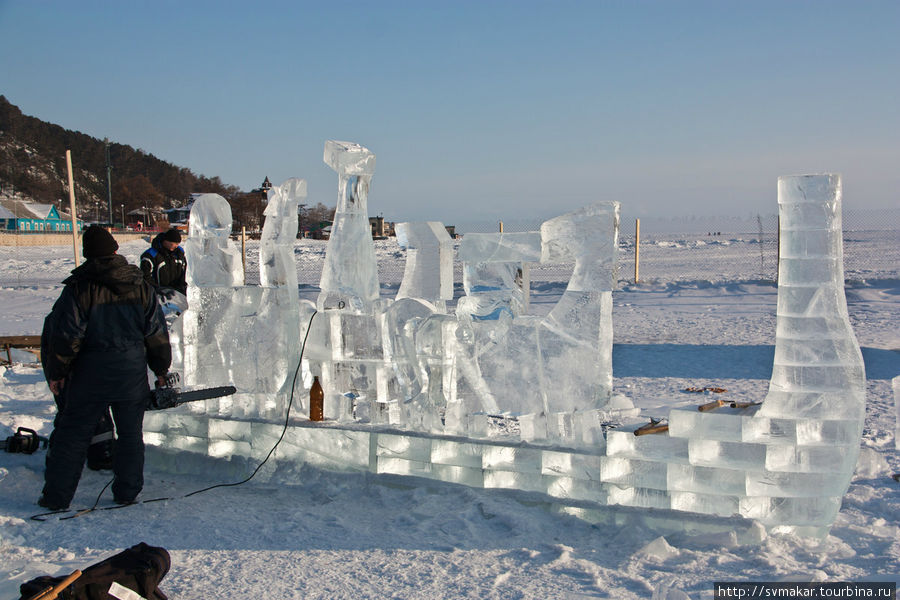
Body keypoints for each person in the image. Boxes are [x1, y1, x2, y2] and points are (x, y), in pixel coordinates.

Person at [38, 226, 172, 510]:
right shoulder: (140, 286)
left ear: (88, 255)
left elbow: (66, 337)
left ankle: (57, 498)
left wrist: (57, 373)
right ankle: (127, 492)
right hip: (131, 374)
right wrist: (161, 370)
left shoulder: (79, 289)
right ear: (114, 250)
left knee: (73, 437)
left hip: (90, 374)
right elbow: (156, 334)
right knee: (130, 436)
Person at [140, 228, 187, 295]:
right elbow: (146, 278)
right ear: (166, 241)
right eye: (173, 244)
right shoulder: (150, 255)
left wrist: (182, 288)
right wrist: (158, 290)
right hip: (158, 295)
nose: (176, 246)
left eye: (177, 244)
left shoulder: (179, 253)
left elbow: (184, 273)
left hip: (177, 294)